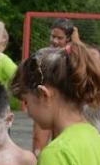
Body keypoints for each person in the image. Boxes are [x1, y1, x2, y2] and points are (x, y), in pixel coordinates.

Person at [31, 19, 82, 156]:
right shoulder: (42, 53)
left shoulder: (73, 56)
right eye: (53, 36)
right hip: (43, 102)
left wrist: (77, 43)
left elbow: (86, 66)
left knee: (61, 142)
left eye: (60, 38)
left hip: (64, 106)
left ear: (69, 39)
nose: (55, 41)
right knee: (38, 143)